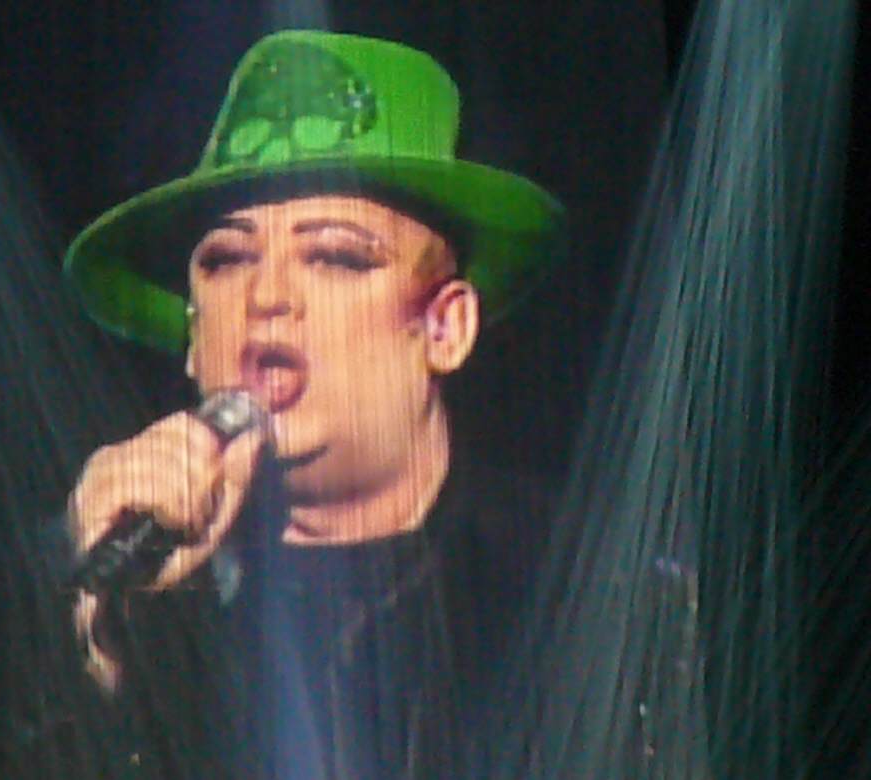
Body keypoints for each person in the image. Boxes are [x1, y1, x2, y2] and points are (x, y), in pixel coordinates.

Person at [59, 30, 565, 779]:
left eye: (335, 256)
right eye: (227, 259)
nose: (267, 298)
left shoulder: (577, 580)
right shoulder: (133, 591)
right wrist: (97, 640)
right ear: (194, 338)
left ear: (445, 327)